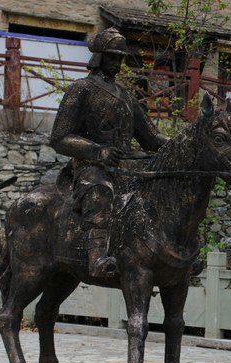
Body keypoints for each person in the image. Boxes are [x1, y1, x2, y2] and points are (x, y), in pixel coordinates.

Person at [50, 27, 168, 277]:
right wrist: (97, 151)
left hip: (128, 166)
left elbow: (150, 138)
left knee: (161, 192)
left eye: (120, 58)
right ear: (99, 57)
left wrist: (180, 144)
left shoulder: (127, 97)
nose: (117, 63)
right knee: (100, 192)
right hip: (92, 166)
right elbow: (59, 137)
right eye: (112, 57)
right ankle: (97, 258)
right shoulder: (81, 89)